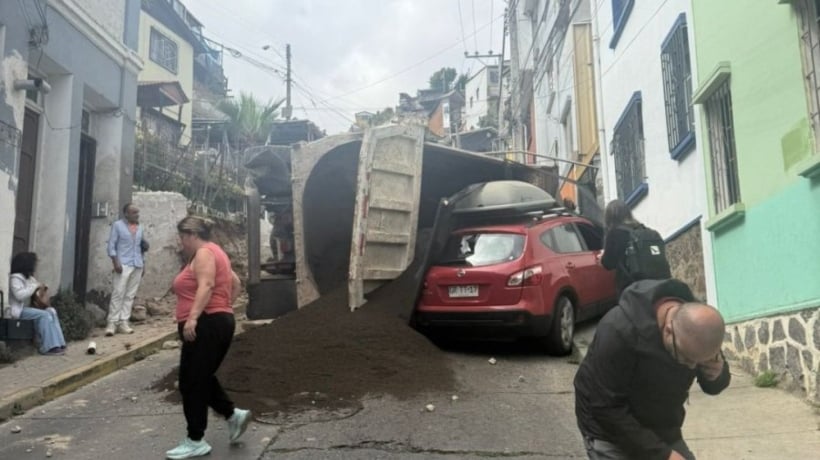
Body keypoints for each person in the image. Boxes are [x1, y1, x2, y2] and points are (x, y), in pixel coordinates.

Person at [574, 279, 730, 460]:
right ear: (669, 330)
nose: (692, 367)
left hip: (662, 425)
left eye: (699, 362)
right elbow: (605, 408)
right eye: (687, 359)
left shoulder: (698, 330)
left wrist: (717, 374)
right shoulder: (618, 330)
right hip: (608, 428)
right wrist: (662, 454)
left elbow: (714, 386)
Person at [165, 216, 250, 459]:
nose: (181, 243)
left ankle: (195, 440)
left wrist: (193, 318)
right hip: (215, 321)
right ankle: (234, 415)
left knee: (190, 381)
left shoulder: (203, 253)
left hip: (206, 324)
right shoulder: (216, 252)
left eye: (182, 238)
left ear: (192, 235)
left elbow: (207, 284)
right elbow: (235, 283)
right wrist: (224, 308)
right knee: (200, 376)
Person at [599, 199, 669, 296]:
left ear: (609, 217)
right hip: (658, 283)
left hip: (633, 288)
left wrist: (602, 257)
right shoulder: (644, 230)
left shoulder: (615, 234)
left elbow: (608, 263)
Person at [8, 252, 67, 355]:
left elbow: (36, 287)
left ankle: (59, 343)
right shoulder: (15, 278)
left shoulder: (29, 278)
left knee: (51, 311)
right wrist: (34, 287)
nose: (35, 267)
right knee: (44, 315)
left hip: (29, 309)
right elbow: (19, 295)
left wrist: (42, 287)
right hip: (18, 311)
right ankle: (48, 347)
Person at [105, 203, 146, 336]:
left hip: (137, 264)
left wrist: (143, 264)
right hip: (123, 264)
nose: (137, 215)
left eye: (137, 212)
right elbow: (111, 245)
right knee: (118, 293)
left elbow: (141, 248)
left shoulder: (140, 227)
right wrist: (115, 261)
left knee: (130, 295)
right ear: (126, 214)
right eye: (134, 213)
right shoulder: (118, 226)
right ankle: (112, 322)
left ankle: (124, 322)